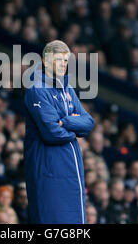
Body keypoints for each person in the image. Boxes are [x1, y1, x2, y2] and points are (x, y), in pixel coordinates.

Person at [23, 40, 94, 224]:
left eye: (66, 60)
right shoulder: (37, 91)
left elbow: (88, 123)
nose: (63, 64)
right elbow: (52, 132)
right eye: (59, 59)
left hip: (71, 167)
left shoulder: (68, 89)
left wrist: (66, 121)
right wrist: (74, 132)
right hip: (49, 169)